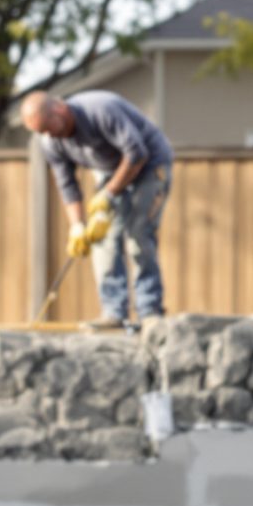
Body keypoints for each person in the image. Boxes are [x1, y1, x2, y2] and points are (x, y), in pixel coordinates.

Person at [19, 89, 174, 331]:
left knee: (139, 234)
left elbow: (137, 153)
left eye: (49, 128)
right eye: (42, 133)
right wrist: (77, 226)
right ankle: (113, 312)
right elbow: (67, 185)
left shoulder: (100, 110)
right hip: (111, 171)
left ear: (59, 109)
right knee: (103, 239)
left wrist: (108, 194)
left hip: (150, 165)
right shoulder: (50, 142)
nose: (48, 135)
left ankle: (149, 311)